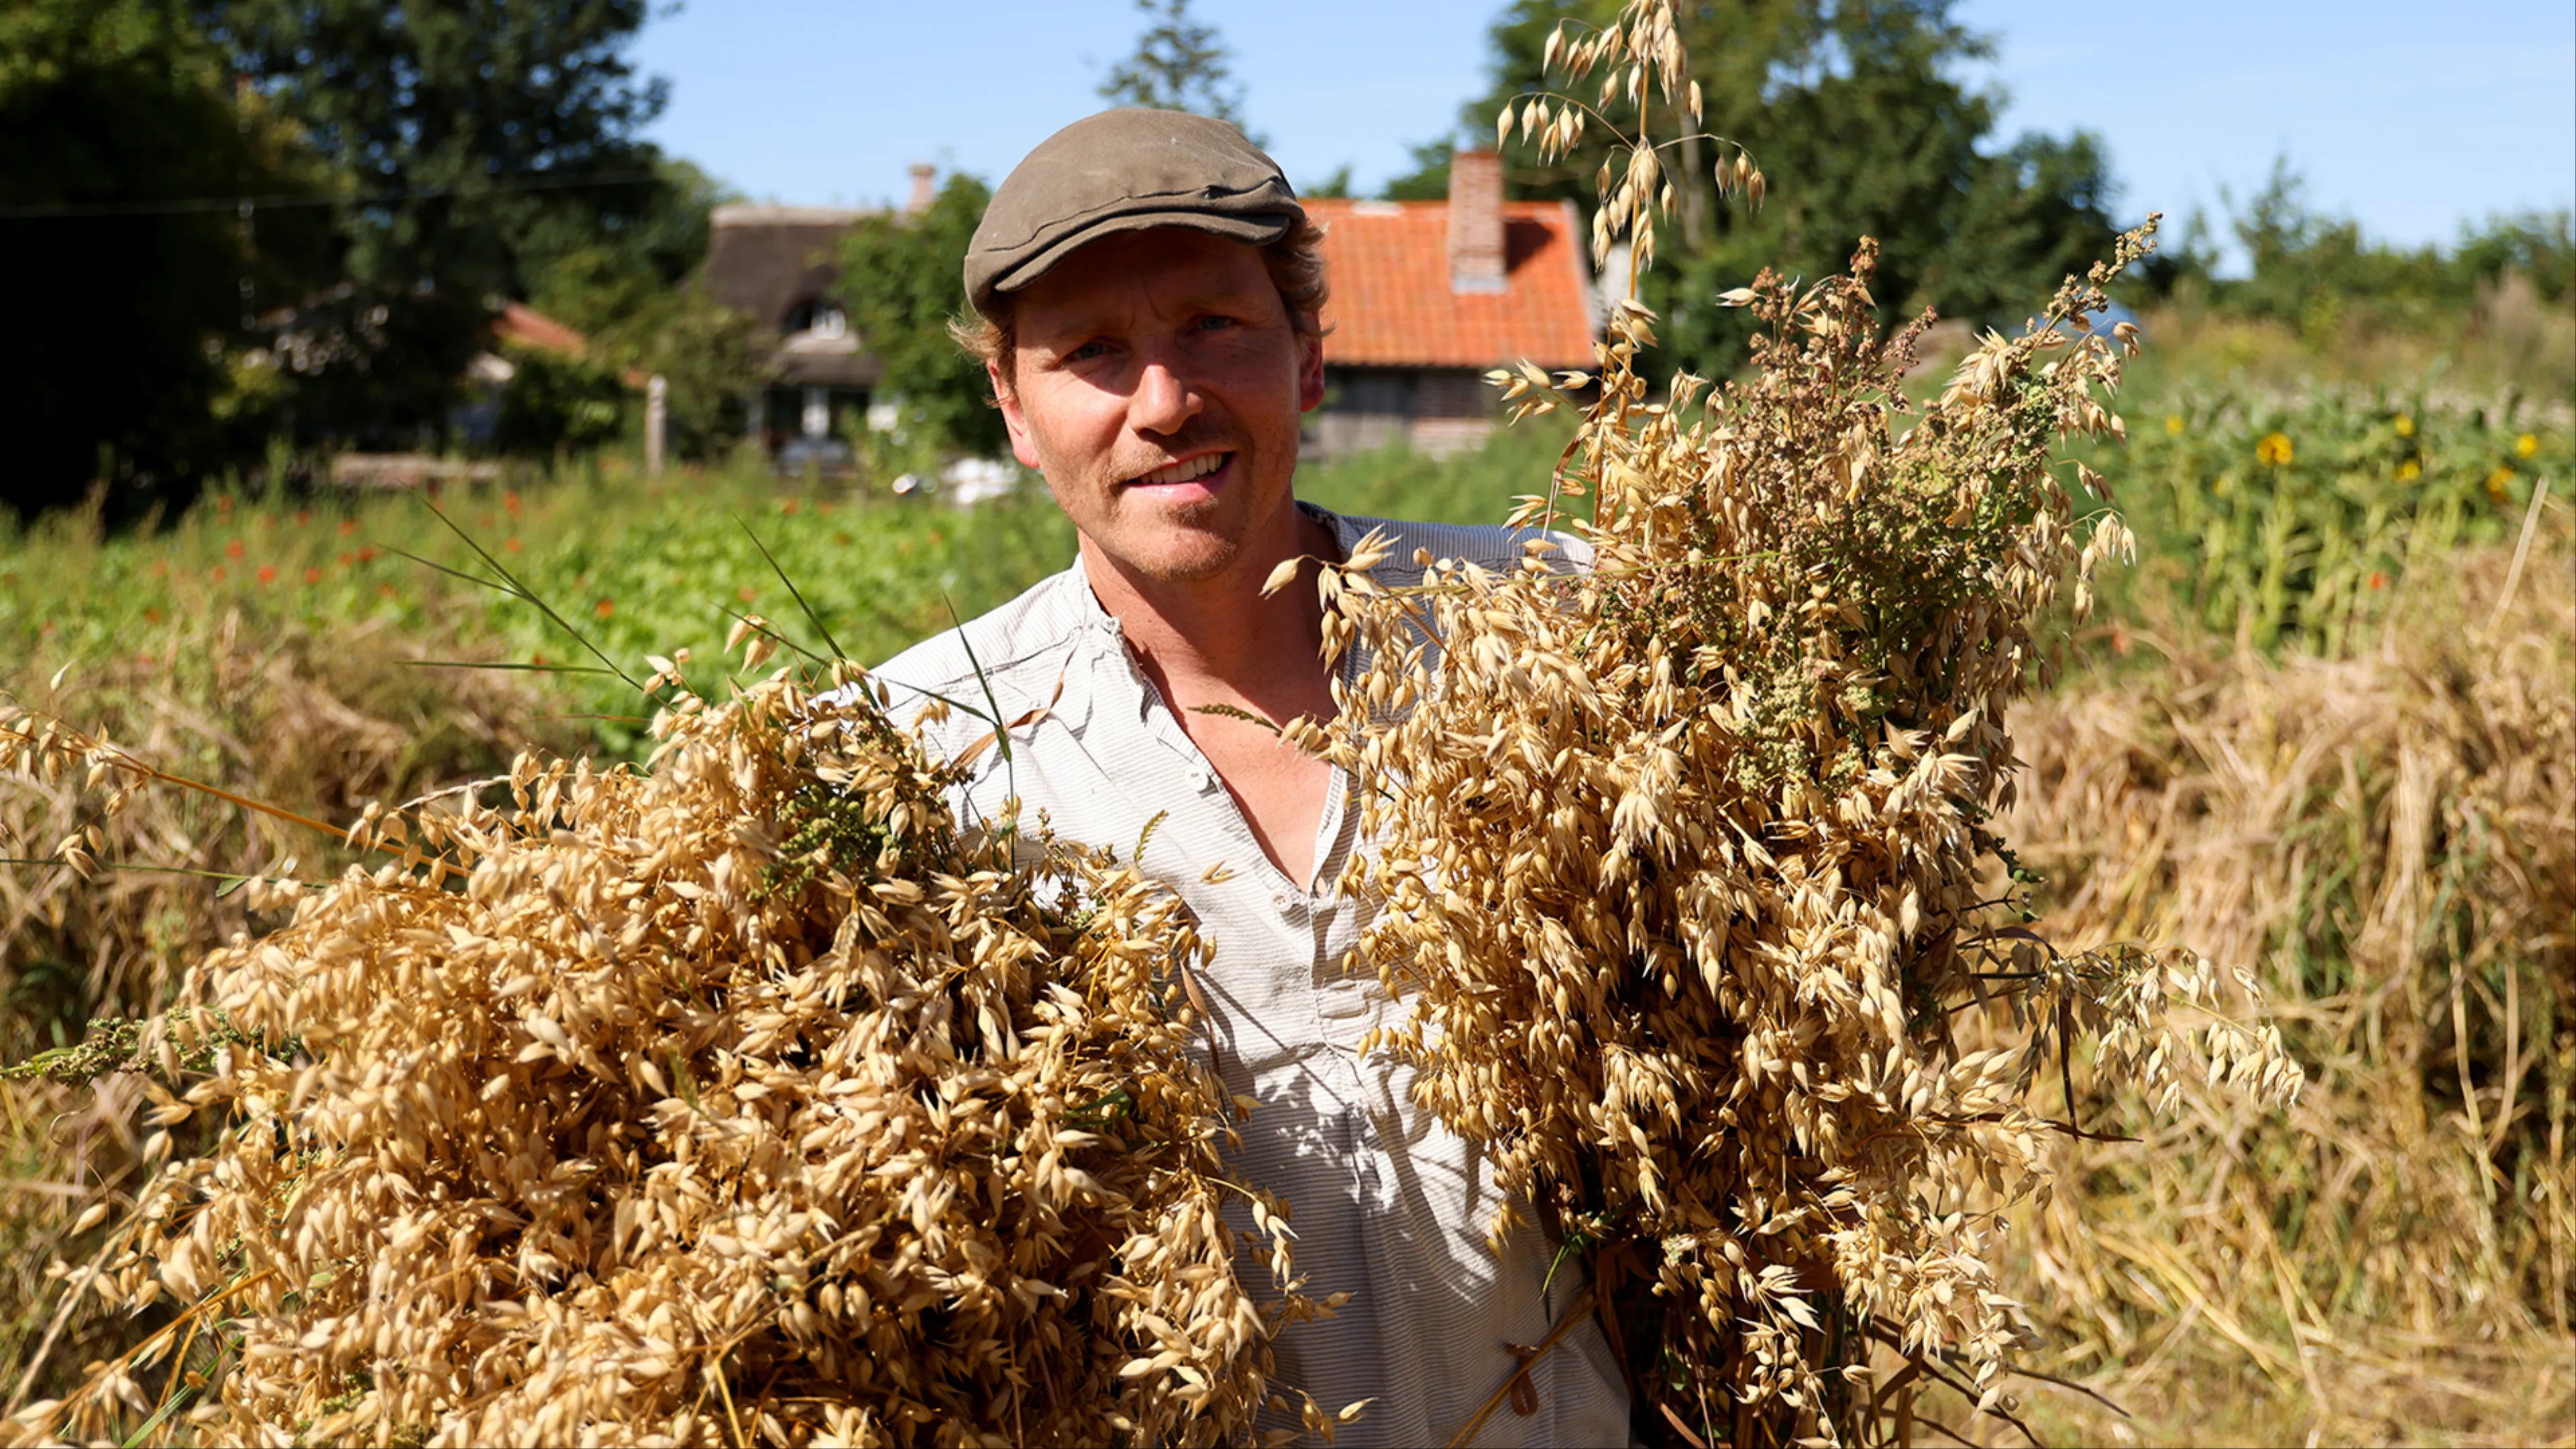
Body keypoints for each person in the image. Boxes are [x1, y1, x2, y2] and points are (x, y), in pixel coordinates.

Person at [866, 107, 1631, 1448]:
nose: (1165, 401)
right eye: (1093, 352)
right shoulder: (915, 760)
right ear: (1013, 404)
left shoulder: (1563, 635)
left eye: (1216, 325)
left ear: (1311, 354)